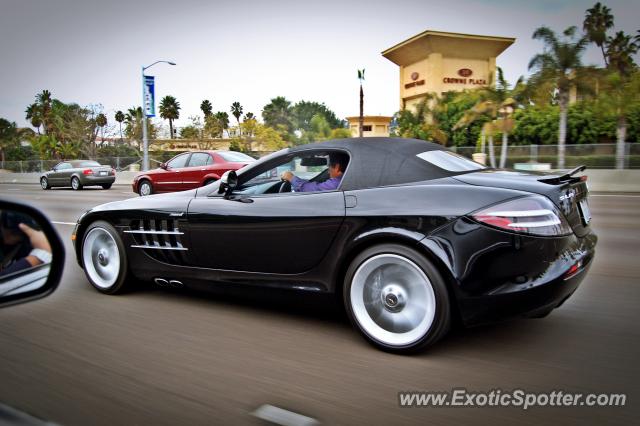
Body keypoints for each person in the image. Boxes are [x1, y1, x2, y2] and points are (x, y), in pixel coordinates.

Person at [280, 153, 348, 192]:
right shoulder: (344, 180)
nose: (328, 172)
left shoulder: (336, 183)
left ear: (337, 167)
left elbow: (307, 189)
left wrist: (291, 177)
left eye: (329, 166)